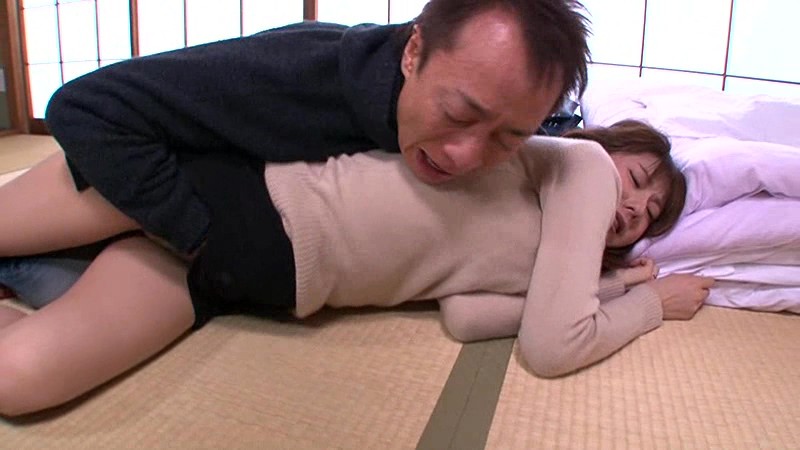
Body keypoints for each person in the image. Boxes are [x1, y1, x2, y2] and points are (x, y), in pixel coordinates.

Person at [0, 120, 713, 416]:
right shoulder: (579, 164)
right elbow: (554, 348)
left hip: (251, 279)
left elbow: (467, 317)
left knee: (17, 382)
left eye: (650, 212)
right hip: (233, 194)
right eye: (637, 177)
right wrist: (652, 305)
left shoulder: (559, 256)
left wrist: (609, 285)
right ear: (607, 147)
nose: (633, 206)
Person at [42, 0, 591, 312]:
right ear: (414, 52)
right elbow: (82, 106)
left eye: (507, 138)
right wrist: (199, 235)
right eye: (458, 113)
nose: (467, 156)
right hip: (111, 202)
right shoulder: (289, 73)